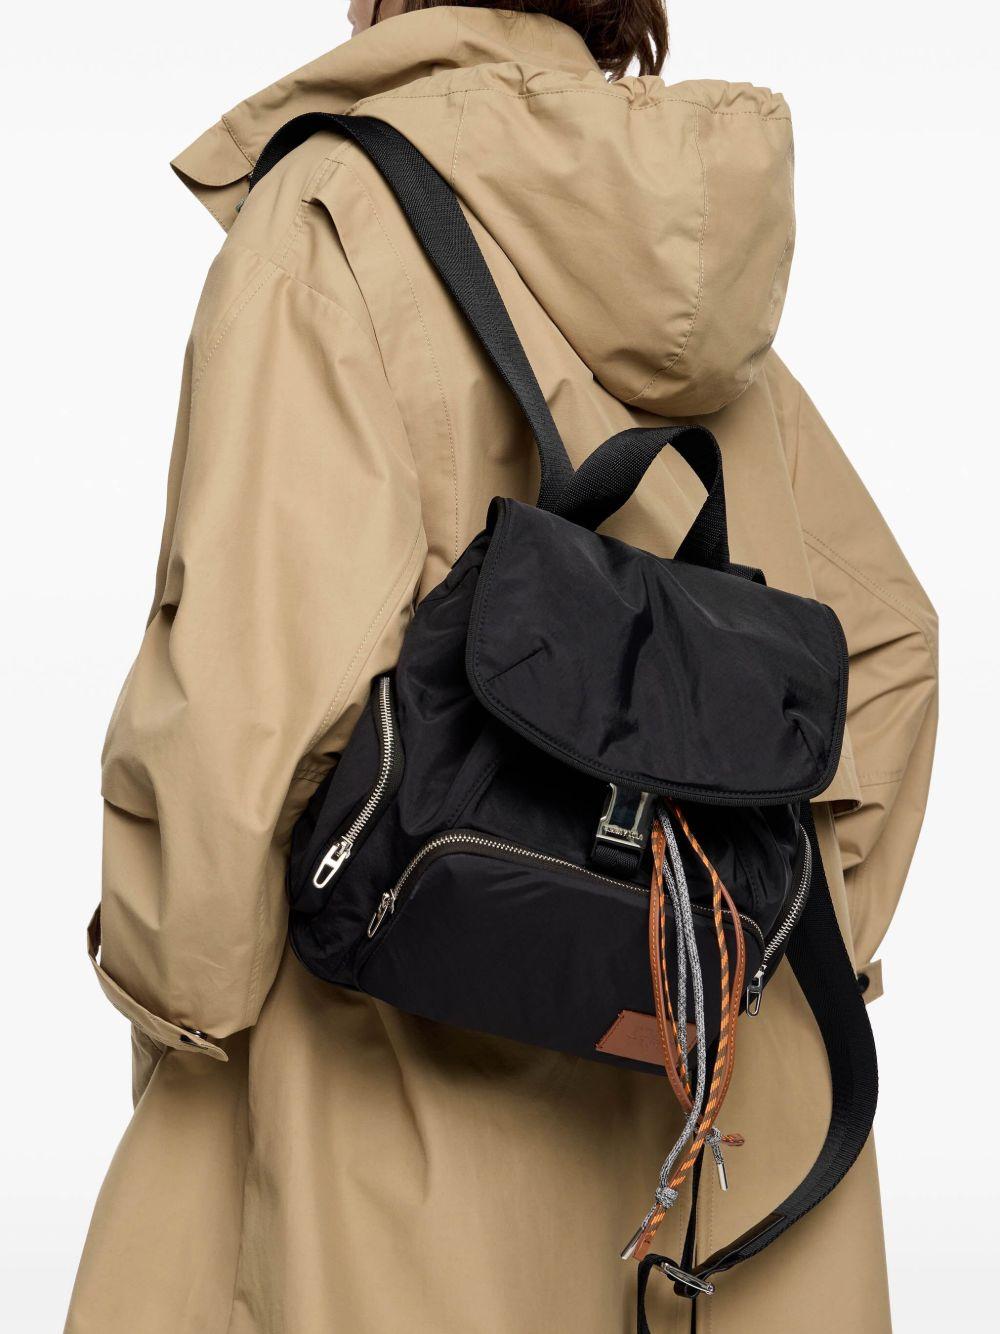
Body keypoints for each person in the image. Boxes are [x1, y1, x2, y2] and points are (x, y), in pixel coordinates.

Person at [66, 4, 938, 1331]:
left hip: (395, 1132)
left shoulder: (335, 213)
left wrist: (176, 993)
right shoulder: (697, 269)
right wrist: (726, 960)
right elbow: (885, 645)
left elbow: (244, 701)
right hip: (722, 1162)